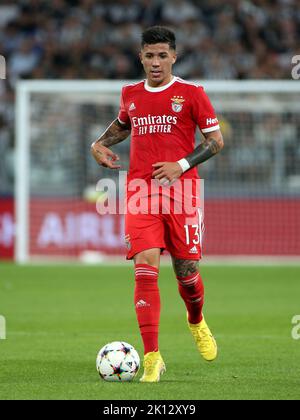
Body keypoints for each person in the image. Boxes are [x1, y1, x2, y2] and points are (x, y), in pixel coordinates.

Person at [91, 26, 224, 383]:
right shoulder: (130, 94)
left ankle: (195, 320)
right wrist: (99, 144)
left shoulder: (191, 93)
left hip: (183, 193)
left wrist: (180, 165)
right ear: (141, 57)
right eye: (149, 55)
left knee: (187, 273)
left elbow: (215, 141)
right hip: (140, 191)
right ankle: (152, 356)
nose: (155, 62)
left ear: (174, 57)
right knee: (145, 266)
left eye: (162, 55)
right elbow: (122, 126)